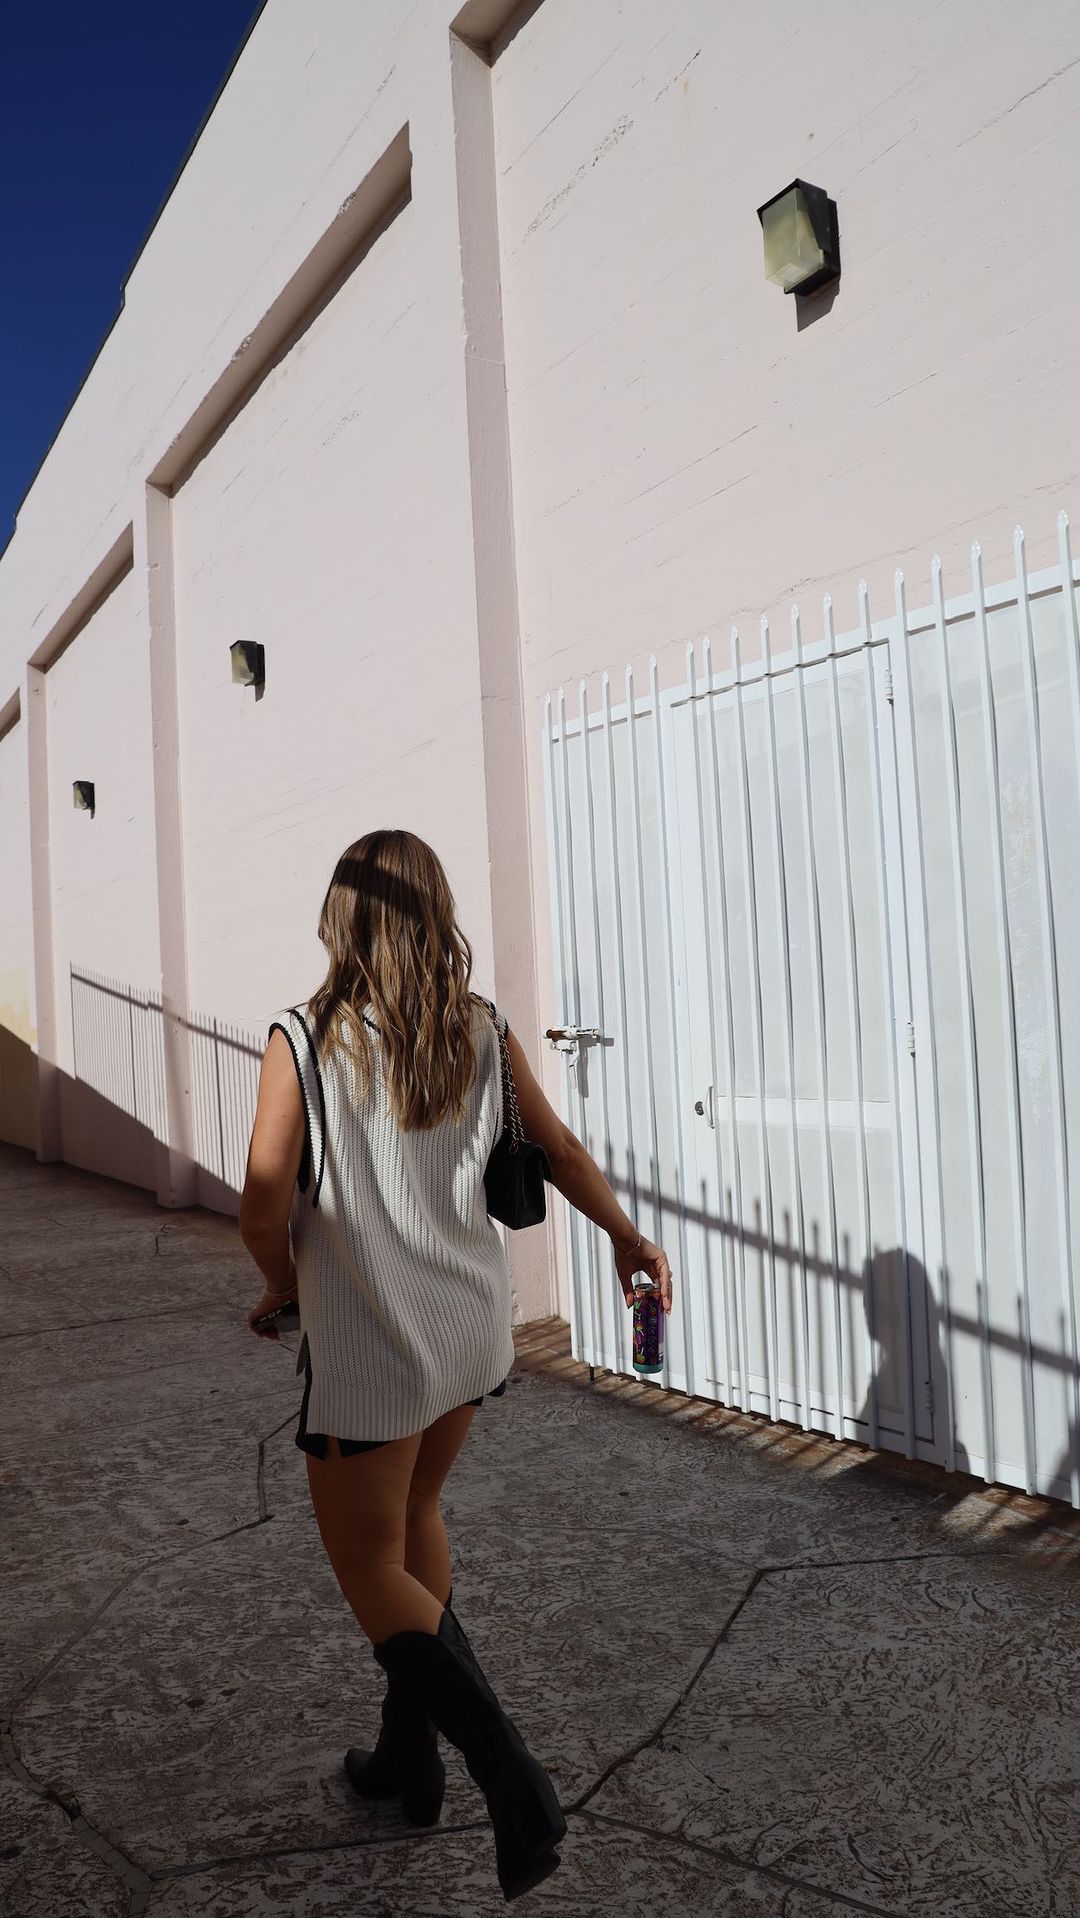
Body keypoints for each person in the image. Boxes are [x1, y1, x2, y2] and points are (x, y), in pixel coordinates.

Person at [239, 827, 673, 1902]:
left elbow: (261, 1199)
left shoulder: (304, 1038)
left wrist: (282, 1285)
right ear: (435, 914)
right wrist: (626, 1236)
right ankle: (408, 1757)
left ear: (342, 918)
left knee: (367, 1568)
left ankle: (508, 1774)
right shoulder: (477, 1026)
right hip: (470, 1330)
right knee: (417, 1512)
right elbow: (559, 1152)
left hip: (371, 1350)